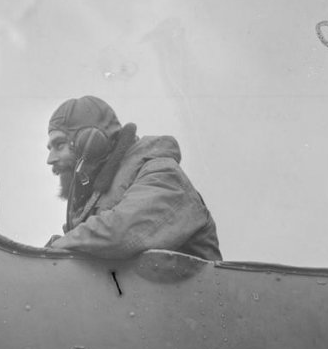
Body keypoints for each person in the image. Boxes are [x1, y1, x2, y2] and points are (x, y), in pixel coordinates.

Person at [45, 95, 221, 260]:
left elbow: (120, 232)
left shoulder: (163, 174)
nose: (50, 159)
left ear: (91, 143)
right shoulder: (95, 195)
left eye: (59, 145)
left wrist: (54, 248)